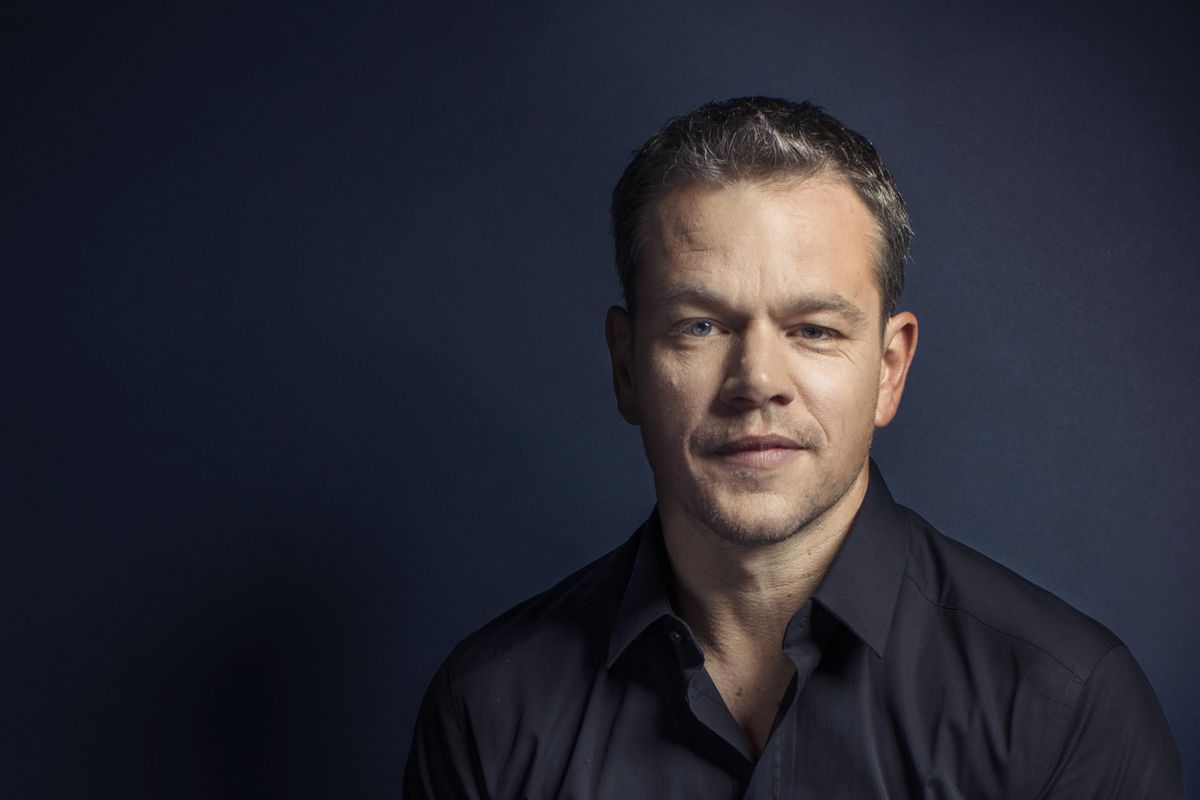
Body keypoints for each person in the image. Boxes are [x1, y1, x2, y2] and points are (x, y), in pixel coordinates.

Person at [404, 97, 1183, 798]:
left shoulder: (1065, 707)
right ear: (625, 366)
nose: (758, 381)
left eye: (814, 330)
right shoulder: (490, 713)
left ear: (888, 370)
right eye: (700, 325)